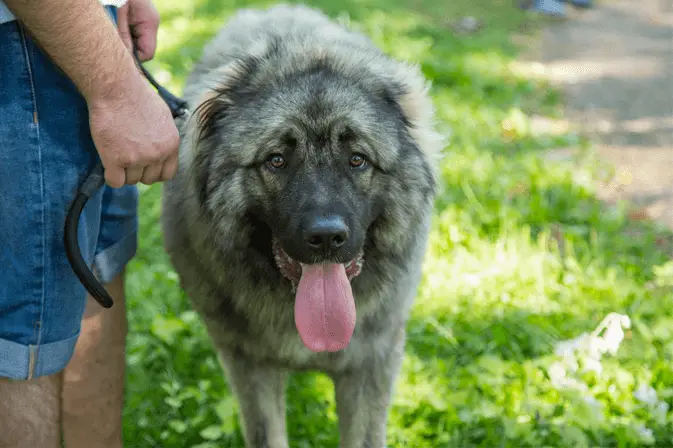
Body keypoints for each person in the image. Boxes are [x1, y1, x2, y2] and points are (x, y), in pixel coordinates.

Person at [0, 0, 180, 446]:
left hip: (84, 32)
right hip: (25, 34)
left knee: (93, 280)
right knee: (24, 339)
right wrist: (117, 91)